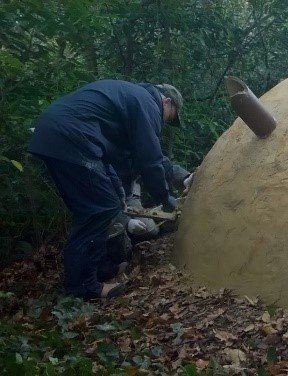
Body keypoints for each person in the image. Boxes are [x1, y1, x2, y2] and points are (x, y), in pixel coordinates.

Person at [28, 80, 184, 299]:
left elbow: (115, 162)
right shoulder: (147, 103)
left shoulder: (129, 100)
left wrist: (120, 197)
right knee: (101, 211)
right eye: (170, 116)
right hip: (72, 137)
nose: (165, 122)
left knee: (95, 210)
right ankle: (84, 286)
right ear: (166, 101)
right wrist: (164, 197)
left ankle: (102, 270)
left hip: (56, 135)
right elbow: (150, 158)